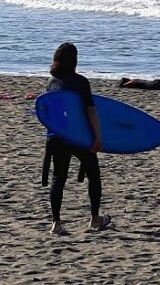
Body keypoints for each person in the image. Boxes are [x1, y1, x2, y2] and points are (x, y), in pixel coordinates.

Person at [43, 43, 111, 235]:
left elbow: (49, 113)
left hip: (58, 136)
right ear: (74, 60)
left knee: (59, 177)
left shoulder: (51, 82)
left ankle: (56, 224)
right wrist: (98, 137)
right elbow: (91, 111)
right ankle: (95, 219)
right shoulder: (81, 82)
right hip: (79, 137)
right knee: (94, 175)